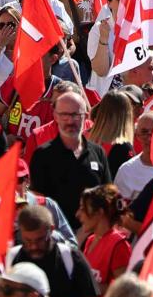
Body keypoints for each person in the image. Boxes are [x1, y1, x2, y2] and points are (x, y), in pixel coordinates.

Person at [28, 90, 111, 232]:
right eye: (64, 115)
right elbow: (38, 205)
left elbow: (108, 199)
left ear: (85, 116)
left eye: (75, 115)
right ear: (55, 116)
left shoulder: (98, 153)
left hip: (91, 240)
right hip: (56, 240)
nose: (70, 121)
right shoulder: (42, 156)